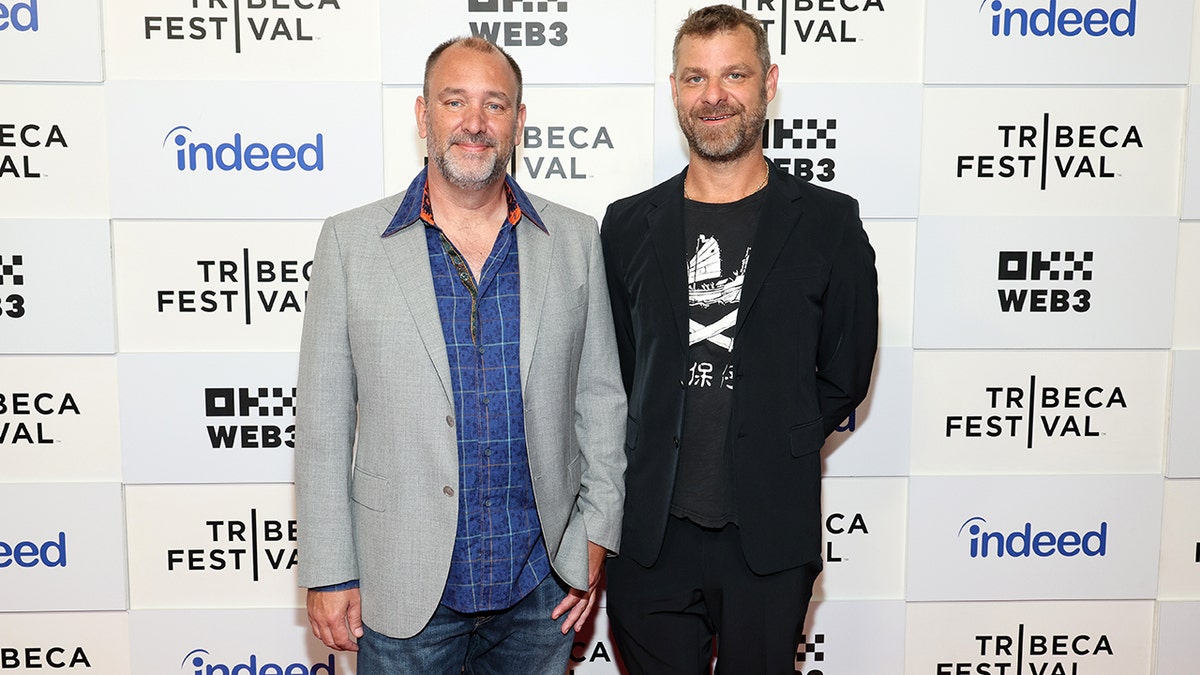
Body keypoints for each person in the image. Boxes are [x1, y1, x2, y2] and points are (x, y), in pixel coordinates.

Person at [294, 36, 627, 674]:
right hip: (400, 591)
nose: (474, 123)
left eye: (494, 105)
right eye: (455, 101)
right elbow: (323, 424)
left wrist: (595, 533)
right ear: (424, 116)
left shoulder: (575, 239)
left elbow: (602, 399)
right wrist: (331, 569)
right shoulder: (350, 243)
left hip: (539, 587)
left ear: (518, 123)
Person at [599, 5, 878, 673]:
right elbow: (614, 370)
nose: (714, 95)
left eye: (734, 75)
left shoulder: (829, 223)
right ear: (674, 91)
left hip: (769, 535)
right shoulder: (628, 224)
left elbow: (845, 370)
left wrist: (779, 435)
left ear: (769, 83)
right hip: (649, 539)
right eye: (695, 78)